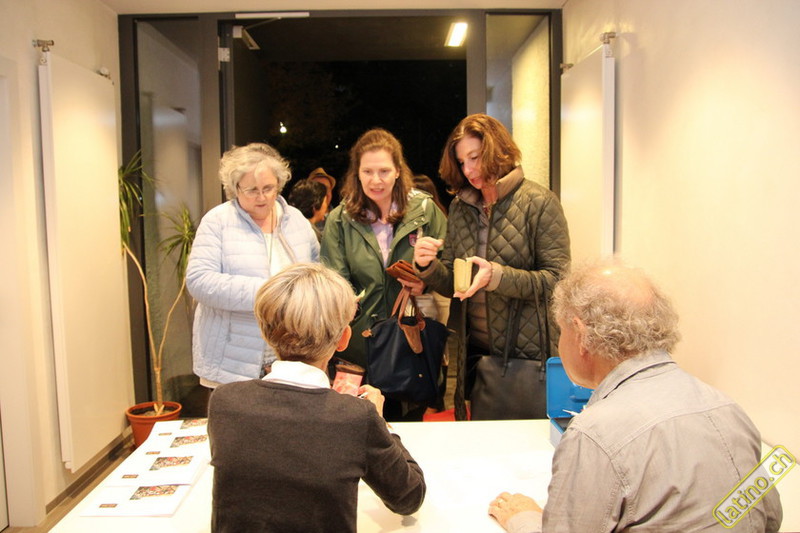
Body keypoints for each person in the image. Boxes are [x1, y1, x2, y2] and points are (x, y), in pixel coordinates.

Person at [488, 259, 783, 533]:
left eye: (561, 330)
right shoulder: (726, 408)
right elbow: (769, 518)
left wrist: (524, 519)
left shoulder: (594, 434)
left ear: (580, 334)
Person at [207, 263, 426, 532]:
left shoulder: (225, 401)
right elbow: (409, 496)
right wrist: (382, 424)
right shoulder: (356, 417)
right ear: (344, 338)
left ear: (265, 333)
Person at [413, 113, 570, 420]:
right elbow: (454, 283)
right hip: (474, 350)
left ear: (497, 150)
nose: (468, 169)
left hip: (528, 353)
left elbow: (557, 281)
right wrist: (428, 266)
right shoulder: (461, 207)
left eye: (475, 157)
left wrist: (497, 277)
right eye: (462, 162)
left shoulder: (539, 202)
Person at [320, 128, 447, 420]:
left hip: (410, 340)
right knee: (357, 427)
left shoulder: (425, 212)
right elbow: (334, 282)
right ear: (357, 173)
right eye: (367, 171)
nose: (376, 180)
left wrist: (426, 280)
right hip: (357, 346)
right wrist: (353, 307)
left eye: (384, 171)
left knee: (407, 426)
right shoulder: (340, 220)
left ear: (398, 171)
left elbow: (448, 272)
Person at [186, 142, 319, 397]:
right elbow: (199, 281)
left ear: (279, 184)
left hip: (289, 354)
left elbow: (316, 271)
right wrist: (269, 293)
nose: (262, 197)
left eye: (269, 188)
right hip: (232, 359)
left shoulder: (296, 221)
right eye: (252, 190)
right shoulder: (217, 222)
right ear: (235, 188)